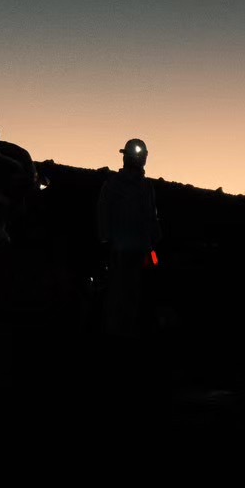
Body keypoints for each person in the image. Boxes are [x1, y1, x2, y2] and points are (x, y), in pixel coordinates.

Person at [95, 138, 160, 338]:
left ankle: (123, 334)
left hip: (132, 251)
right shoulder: (118, 185)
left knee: (129, 295)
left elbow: (150, 217)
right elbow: (104, 214)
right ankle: (118, 335)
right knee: (122, 295)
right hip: (125, 252)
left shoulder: (140, 187)